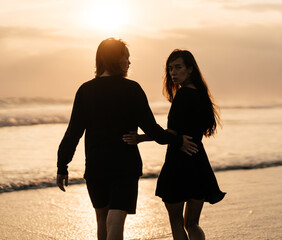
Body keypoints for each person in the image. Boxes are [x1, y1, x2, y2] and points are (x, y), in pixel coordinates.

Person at [56, 38, 197, 240]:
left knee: (102, 220)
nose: (129, 63)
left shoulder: (85, 90)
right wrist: (177, 140)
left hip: (96, 166)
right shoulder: (132, 89)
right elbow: (153, 129)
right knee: (115, 220)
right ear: (114, 59)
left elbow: (73, 133)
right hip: (125, 166)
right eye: (126, 58)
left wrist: (62, 165)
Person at [123, 49, 226, 240]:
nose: (173, 72)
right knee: (192, 224)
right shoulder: (201, 95)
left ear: (190, 69)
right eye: (170, 69)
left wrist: (140, 138)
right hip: (198, 161)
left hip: (178, 163)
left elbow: (171, 134)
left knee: (177, 222)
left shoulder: (183, 95)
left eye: (178, 67)